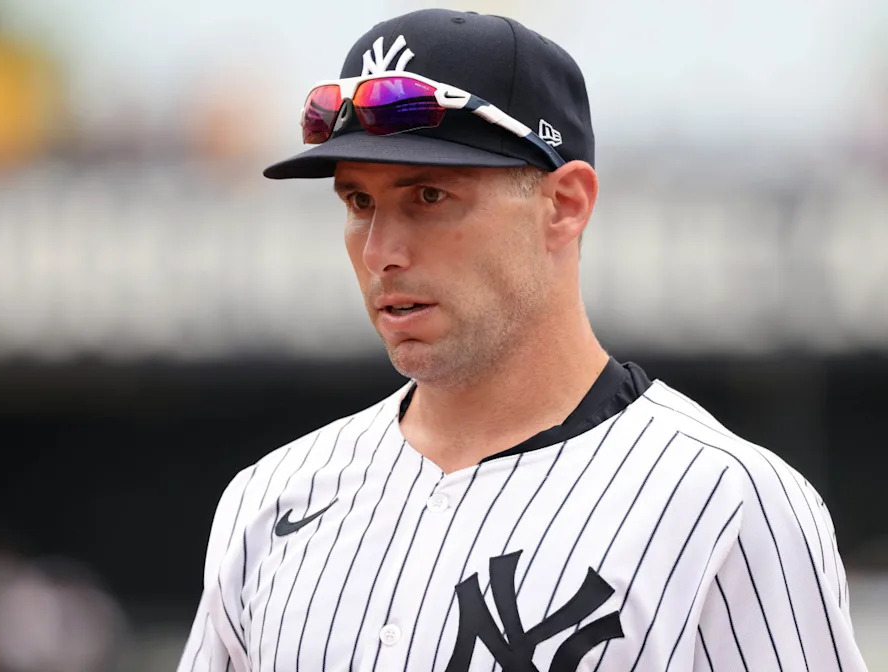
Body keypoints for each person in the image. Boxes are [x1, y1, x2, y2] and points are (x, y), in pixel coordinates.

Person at [178, 8, 868, 671]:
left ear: (564, 206)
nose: (381, 251)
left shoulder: (729, 503)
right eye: (359, 202)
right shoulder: (269, 498)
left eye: (428, 197)